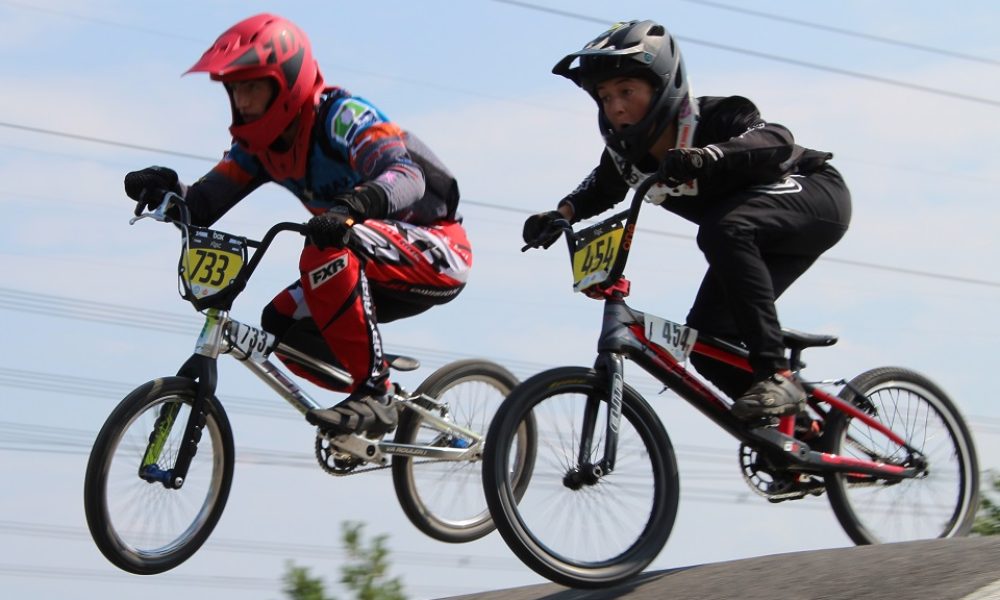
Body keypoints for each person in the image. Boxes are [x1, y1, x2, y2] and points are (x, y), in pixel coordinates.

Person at [124, 13, 471, 437]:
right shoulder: (257, 149)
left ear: (286, 83)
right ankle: (384, 391)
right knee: (280, 326)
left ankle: (375, 394)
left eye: (252, 87)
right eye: (235, 89)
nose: (242, 101)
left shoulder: (342, 117)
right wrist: (167, 190)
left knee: (322, 248)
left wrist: (351, 206)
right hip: (361, 258)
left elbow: (407, 176)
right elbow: (202, 206)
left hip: (439, 250)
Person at [523, 20, 852, 421]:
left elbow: (777, 137)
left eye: (626, 91)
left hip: (816, 195)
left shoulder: (716, 116)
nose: (616, 107)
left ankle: (777, 374)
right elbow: (599, 189)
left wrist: (709, 154)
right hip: (749, 235)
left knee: (724, 229)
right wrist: (558, 216)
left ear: (661, 87)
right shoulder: (627, 159)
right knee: (708, 345)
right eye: (605, 97)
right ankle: (798, 432)